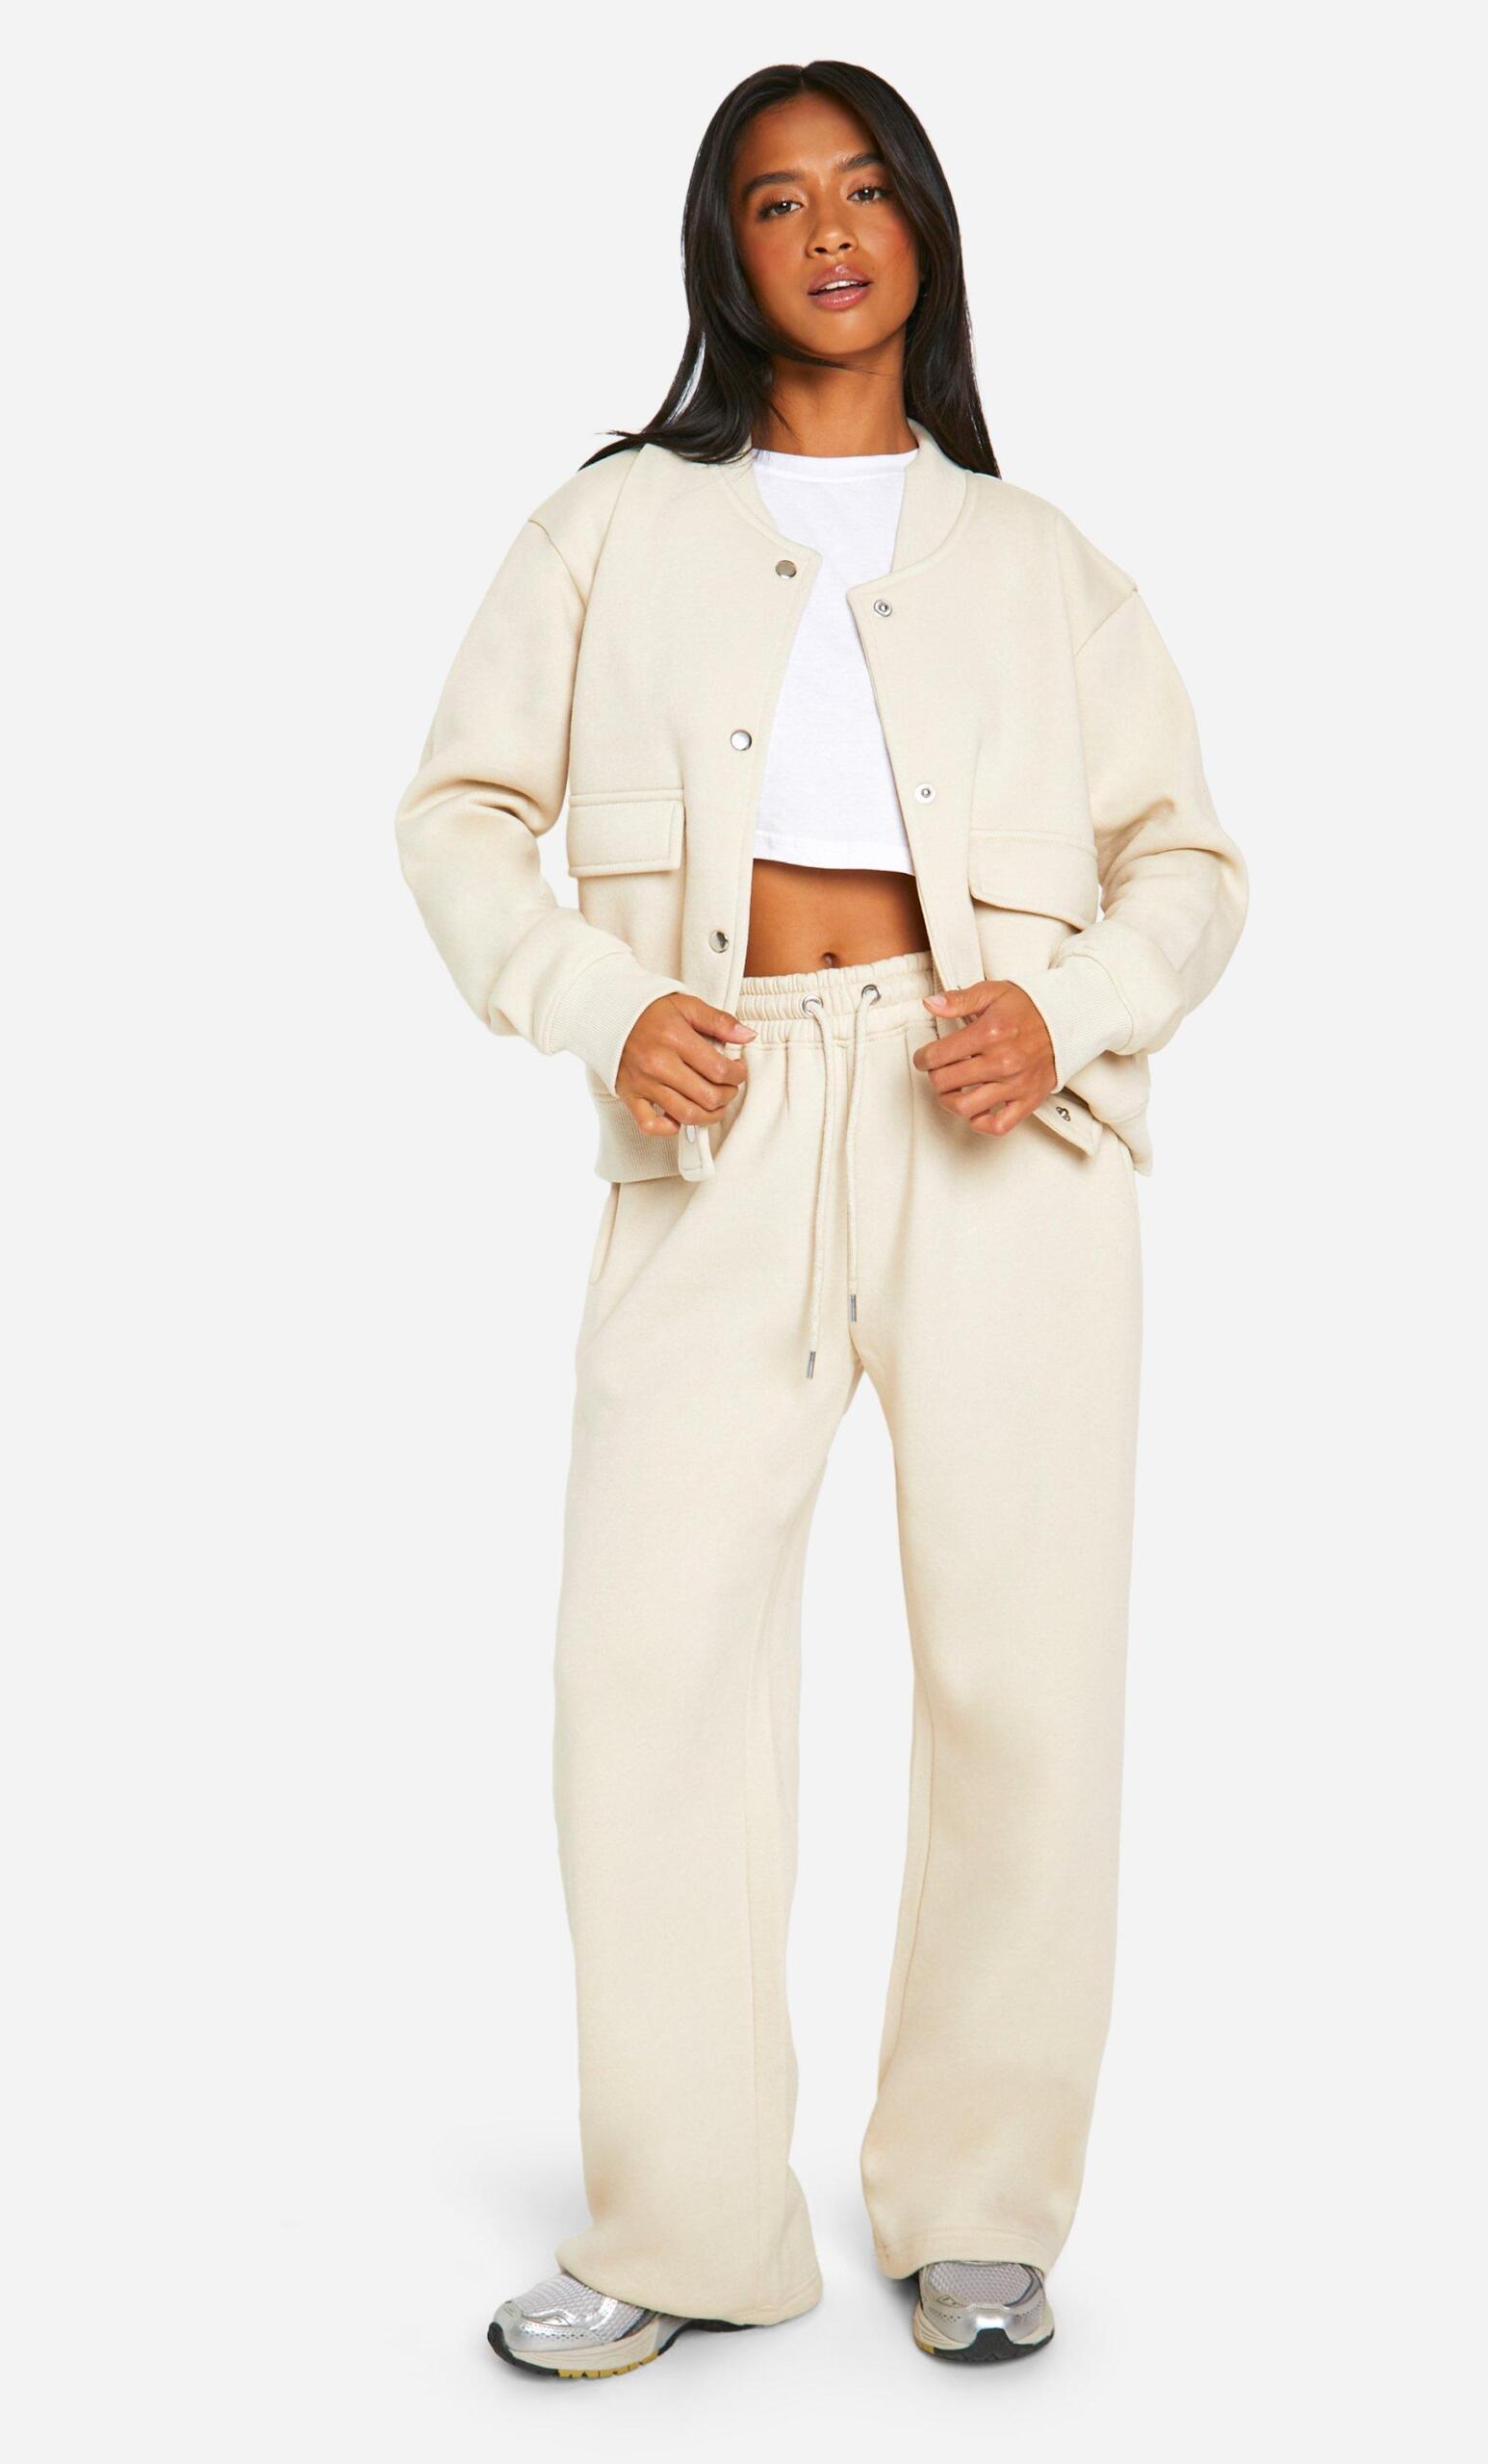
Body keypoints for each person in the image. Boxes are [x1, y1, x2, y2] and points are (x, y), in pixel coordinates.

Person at [395, 57, 1247, 2375]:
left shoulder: (1042, 560)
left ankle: (975, 2201)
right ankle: (685, 2217)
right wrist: (597, 1003)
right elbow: (460, 811)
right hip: (721, 1106)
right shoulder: (607, 528)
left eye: (864, 189)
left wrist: (1064, 1013)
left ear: (923, 228)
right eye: (776, 202)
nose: (829, 231)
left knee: (1020, 1671)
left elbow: (1188, 862)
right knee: (646, 1665)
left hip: (997, 1124)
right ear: (726, 250)